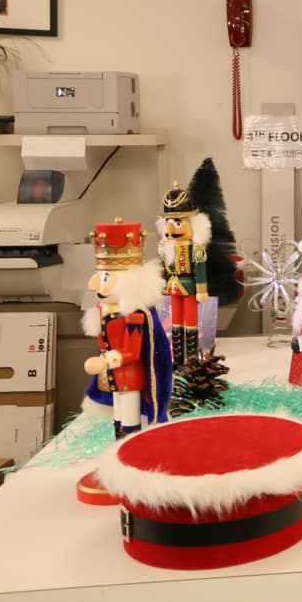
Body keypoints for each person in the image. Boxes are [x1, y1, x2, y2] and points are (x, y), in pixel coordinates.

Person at [81, 219, 174, 439]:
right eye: (104, 277)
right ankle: (119, 445)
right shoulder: (105, 308)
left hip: (129, 376)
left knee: (130, 420)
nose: (102, 286)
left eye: (110, 279)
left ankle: (129, 446)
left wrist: (105, 361)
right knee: (118, 418)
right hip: (111, 376)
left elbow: (132, 352)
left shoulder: (135, 315)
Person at [159, 181, 210, 366]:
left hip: (188, 286)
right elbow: (162, 269)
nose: (170, 229)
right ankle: (178, 359)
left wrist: (201, 289)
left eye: (178, 222)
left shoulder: (195, 248)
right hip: (173, 287)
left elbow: (200, 269)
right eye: (168, 222)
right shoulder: (165, 247)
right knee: (176, 323)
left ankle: (192, 358)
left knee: (191, 322)